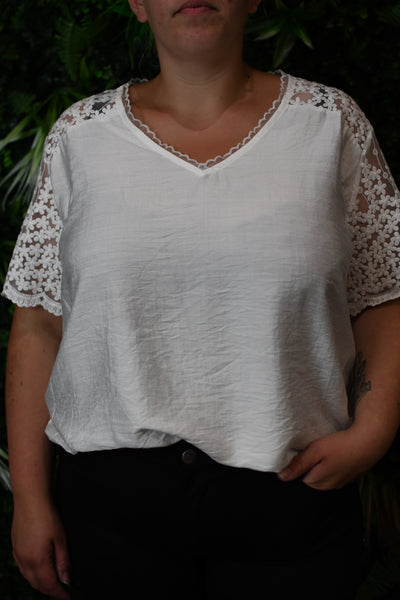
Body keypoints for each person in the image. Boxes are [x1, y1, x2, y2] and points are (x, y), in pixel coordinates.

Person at [3, 1, 400, 599]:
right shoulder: (80, 136)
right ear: (138, 4)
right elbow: (38, 322)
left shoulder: (329, 125)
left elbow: (382, 294)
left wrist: (374, 428)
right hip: (112, 511)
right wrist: (30, 498)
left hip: (293, 502)